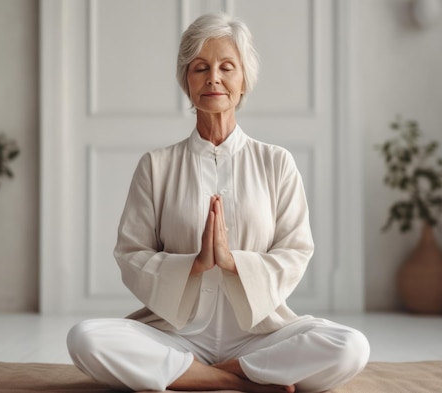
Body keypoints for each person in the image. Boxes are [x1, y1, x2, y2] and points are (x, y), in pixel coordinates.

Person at [67, 13, 369, 393]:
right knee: (85, 338)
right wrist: (193, 266)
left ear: (243, 81)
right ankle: (240, 380)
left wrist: (233, 263)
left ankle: (208, 372)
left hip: (260, 337)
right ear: (186, 82)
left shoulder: (276, 162)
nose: (213, 77)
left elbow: (296, 251)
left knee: (351, 347)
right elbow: (131, 254)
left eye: (227, 67)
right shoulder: (156, 166)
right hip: (176, 335)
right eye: (200, 68)